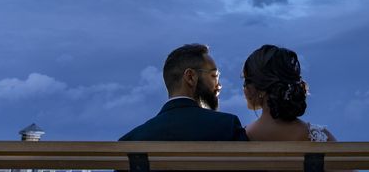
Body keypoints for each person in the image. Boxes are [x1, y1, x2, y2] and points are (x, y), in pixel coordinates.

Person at [119, 43, 248, 141]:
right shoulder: (227, 126)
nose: (219, 85)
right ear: (190, 77)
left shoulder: (131, 140)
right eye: (214, 76)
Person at [242, 44, 336, 141]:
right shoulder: (321, 137)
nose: (244, 88)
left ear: (261, 89)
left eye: (246, 81)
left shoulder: (240, 136)